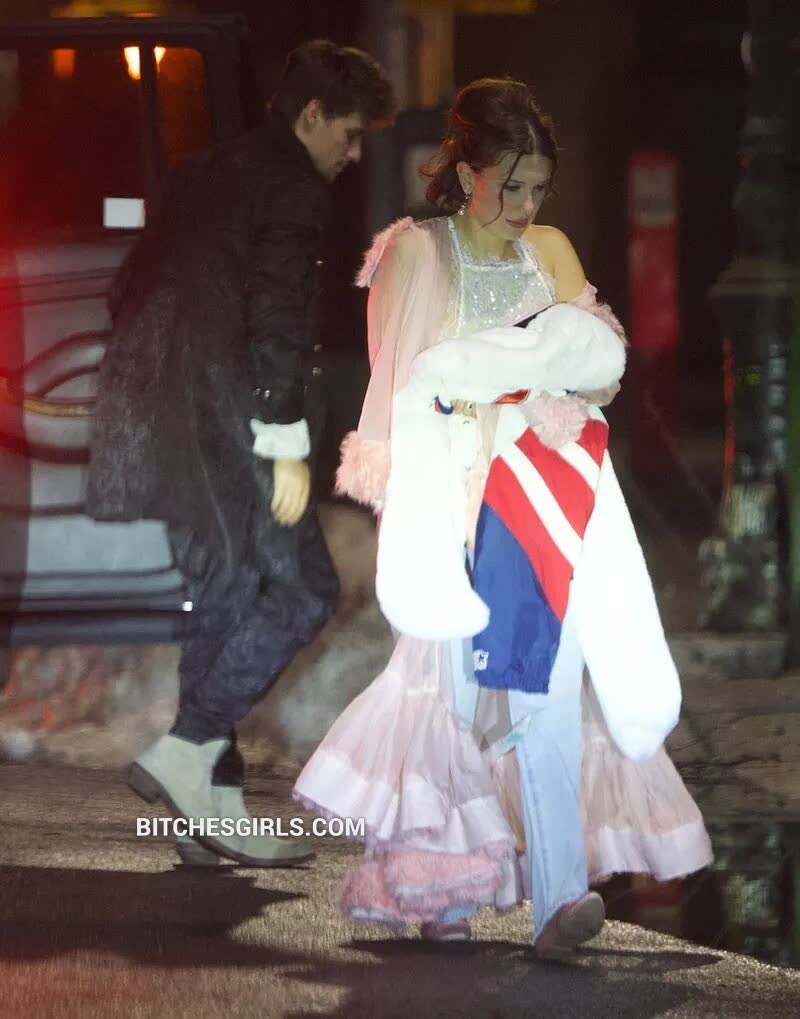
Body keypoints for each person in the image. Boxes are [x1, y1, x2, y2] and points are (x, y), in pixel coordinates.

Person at [294, 78, 712, 954]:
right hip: (456, 510)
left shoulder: (549, 250)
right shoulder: (418, 252)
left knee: (548, 694)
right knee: (449, 699)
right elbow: (401, 389)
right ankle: (438, 884)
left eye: (539, 187)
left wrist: (556, 379)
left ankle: (558, 899)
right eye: (510, 184)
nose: (526, 205)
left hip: (544, 505)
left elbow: (599, 372)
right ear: (466, 172)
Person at [87, 40, 394, 867]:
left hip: (159, 421)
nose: (353, 154)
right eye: (351, 134)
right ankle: (185, 748)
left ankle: (207, 808)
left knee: (219, 594)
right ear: (312, 115)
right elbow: (277, 321)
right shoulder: (292, 189)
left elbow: (125, 290)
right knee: (303, 589)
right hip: (236, 422)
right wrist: (286, 441)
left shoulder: (196, 173)